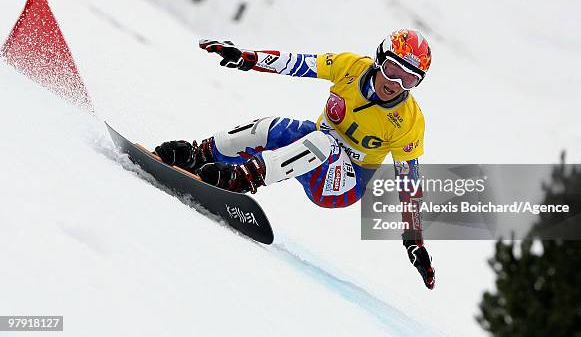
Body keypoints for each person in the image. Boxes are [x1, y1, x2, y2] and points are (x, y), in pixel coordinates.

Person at [155, 29, 435, 289]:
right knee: (273, 128)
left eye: (409, 79)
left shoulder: (409, 121)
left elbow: (408, 184)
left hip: (342, 185)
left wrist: (414, 242)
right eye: (392, 70)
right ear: (379, 60)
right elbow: (297, 63)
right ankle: (197, 155)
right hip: (311, 149)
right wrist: (246, 58)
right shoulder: (351, 67)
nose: (396, 83)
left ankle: (240, 179)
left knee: (321, 140)